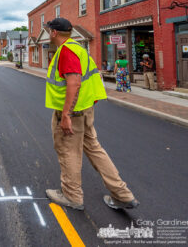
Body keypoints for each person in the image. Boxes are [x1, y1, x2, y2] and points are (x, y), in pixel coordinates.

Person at [44, 18, 139, 210]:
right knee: (95, 150)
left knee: (68, 151)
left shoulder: (67, 51)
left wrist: (66, 116)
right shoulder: (78, 48)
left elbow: (74, 82)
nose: (47, 33)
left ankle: (72, 196)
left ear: (54, 33)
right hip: (85, 109)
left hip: (74, 113)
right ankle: (122, 194)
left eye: (48, 30)